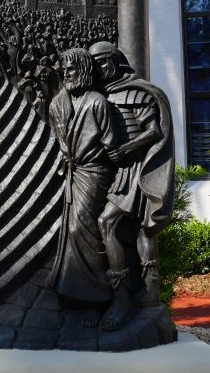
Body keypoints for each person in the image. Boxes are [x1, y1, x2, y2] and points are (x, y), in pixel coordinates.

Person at [89, 41, 175, 330]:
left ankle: (123, 298)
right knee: (139, 229)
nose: (101, 69)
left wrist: (125, 149)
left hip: (136, 168)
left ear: (116, 60)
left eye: (104, 62)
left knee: (108, 223)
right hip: (119, 170)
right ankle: (149, 292)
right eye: (96, 65)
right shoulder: (102, 93)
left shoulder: (136, 92)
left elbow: (153, 131)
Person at [47, 47, 118, 327]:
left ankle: (97, 300)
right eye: (64, 70)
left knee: (84, 230)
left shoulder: (98, 102)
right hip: (72, 173)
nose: (66, 74)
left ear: (85, 70)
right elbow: (56, 140)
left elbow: (111, 144)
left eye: (72, 69)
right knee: (70, 232)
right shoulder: (57, 104)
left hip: (94, 173)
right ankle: (73, 295)